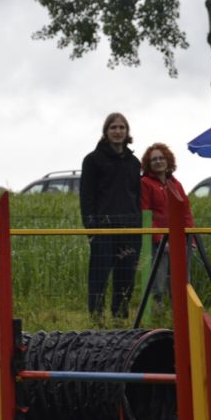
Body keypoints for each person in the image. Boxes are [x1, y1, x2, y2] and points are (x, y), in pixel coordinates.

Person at [79, 112, 142, 321]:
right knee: (99, 277)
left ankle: (120, 319)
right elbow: (86, 198)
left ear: (127, 132)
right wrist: (91, 230)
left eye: (121, 128)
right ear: (106, 132)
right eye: (113, 128)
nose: (117, 131)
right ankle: (96, 318)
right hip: (103, 228)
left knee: (126, 278)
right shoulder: (92, 160)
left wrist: (140, 227)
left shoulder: (133, 162)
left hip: (131, 228)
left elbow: (137, 196)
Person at [140, 143, 195, 304]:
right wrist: (160, 240)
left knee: (181, 281)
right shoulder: (145, 183)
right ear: (148, 164)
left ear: (168, 160)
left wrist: (190, 238)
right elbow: (146, 214)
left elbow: (186, 212)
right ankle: (158, 318)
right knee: (158, 284)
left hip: (180, 240)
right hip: (158, 243)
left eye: (161, 158)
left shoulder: (176, 184)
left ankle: (178, 315)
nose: (158, 161)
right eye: (154, 159)